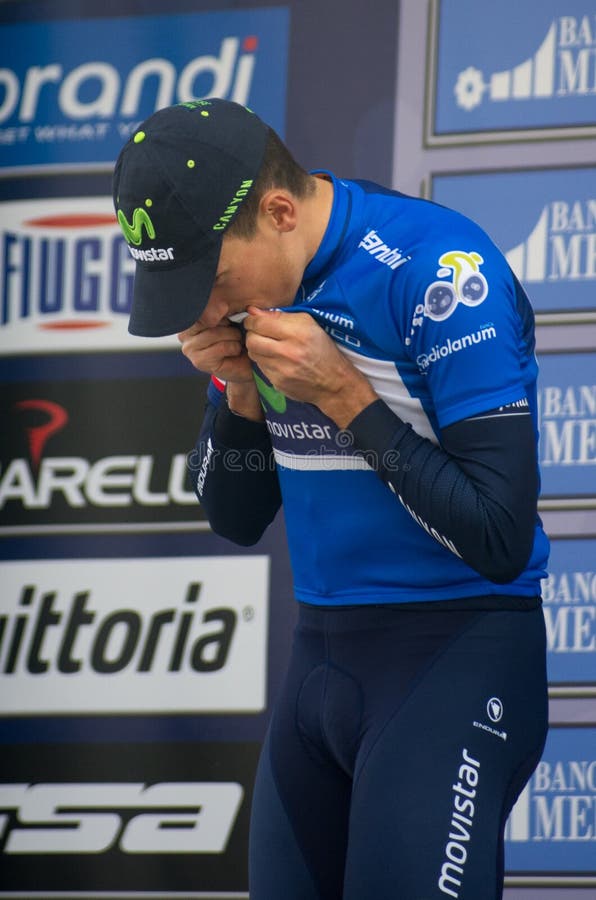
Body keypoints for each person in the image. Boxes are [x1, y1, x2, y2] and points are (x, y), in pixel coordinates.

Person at [113, 98, 549, 900]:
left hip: (456, 654)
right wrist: (237, 395)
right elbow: (234, 519)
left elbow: (501, 536)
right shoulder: (252, 309)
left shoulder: (437, 268)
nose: (206, 313)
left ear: (279, 211)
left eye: (209, 280)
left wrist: (347, 395)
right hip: (320, 659)